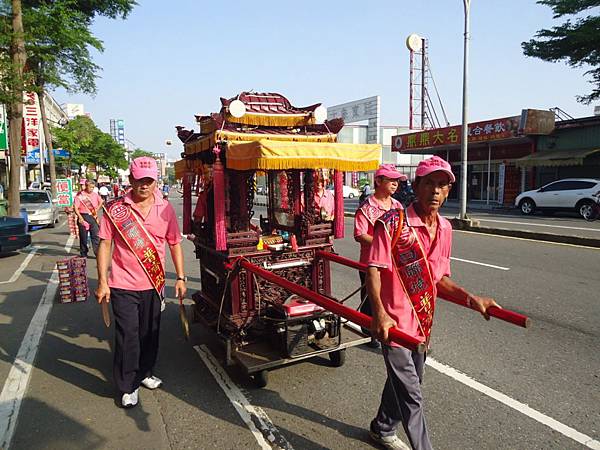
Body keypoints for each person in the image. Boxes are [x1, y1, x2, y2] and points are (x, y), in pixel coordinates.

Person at [366, 156, 500, 450]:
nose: (436, 191)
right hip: (394, 324)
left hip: (422, 323)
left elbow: (438, 278)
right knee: (412, 393)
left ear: (449, 190)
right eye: (430, 183)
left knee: (409, 381)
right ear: (416, 186)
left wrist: (471, 298)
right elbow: (373, 268)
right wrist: (379, 312)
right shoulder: (391, 224)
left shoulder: (446, 228)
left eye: (442, 185)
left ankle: (382, 426)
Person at [95, 157, 186, 408]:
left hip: (154, 285)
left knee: (150, 334)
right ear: (130, 180)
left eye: (149, 180)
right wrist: (103, 281)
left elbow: (175, 243)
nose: (143, 185)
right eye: (138, 180)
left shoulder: (165, 208)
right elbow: (104, 244)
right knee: (128, 336)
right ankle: (128, 385)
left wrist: (180, 277)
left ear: (156, 181)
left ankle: (144, 372)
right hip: (123, 284)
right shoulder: (115, 209)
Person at [354, 164, 406, 348]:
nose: (395, 184)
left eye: (396, 181)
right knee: (370, 298)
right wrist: (384, 245)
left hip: (393, 263)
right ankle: (370, 332)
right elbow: (360, 234)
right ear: (378, 181)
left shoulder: (398, 206)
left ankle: (391, 326)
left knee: (392, 297)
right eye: (390, 180)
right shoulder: (366, 208)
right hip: (371, 263)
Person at [73, 179, 103, 258]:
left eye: (93, 187)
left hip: (93, 217)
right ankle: (83, 253)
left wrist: (96, 209)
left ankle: (97, 253)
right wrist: (80, 217)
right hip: (83, 216)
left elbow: (101, 202)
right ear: (86, 186)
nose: (92, 189)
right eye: (90, 187)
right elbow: (75, 208)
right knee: (83, 237)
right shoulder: (80, 196)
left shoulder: (95, 195)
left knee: (96, 236)